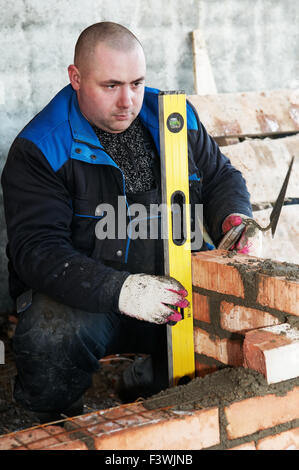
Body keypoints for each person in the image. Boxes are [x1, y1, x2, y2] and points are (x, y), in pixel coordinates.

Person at [1, 22, 261, 422]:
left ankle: (149, 380)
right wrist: (122, 291)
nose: (128, 100)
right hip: (87, 301)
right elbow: (37, 252)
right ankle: (56, 423)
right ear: (76, 78)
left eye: (137, 83)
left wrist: (233, 218)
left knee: (234, 322)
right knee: (51, 332)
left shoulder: (174, 117)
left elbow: (221, 176)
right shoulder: (40, 147)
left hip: (170, 288)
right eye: (111, 86)